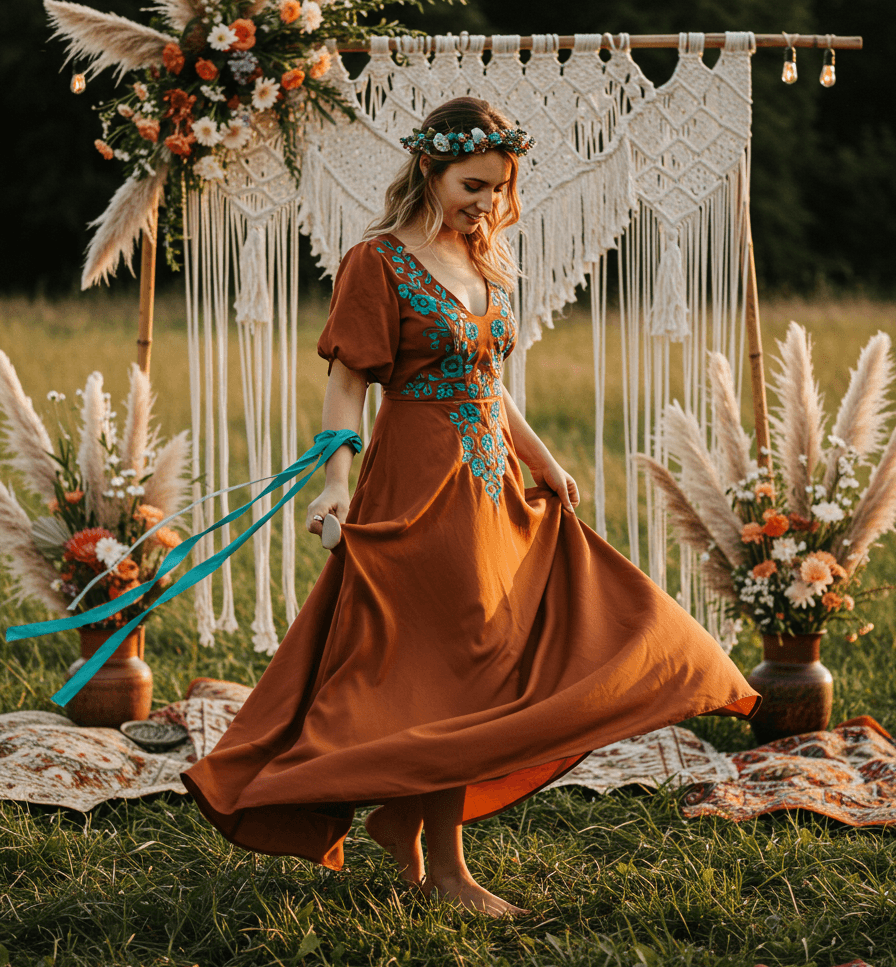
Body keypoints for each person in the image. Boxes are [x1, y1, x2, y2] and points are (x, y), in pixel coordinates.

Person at [182, 95, 758, 917]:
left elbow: (491, 382)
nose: (489, 204)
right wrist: (334, 483)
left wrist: (546, 460)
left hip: (494, 489)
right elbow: (347, 382)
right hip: (419, 485)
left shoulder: (484, 259)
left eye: (499, 190)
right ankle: (446, 872)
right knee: (454, 668)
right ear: (431, 169)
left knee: (497, 654)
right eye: (475, 186)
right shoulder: (375, 262)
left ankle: (408, 828)